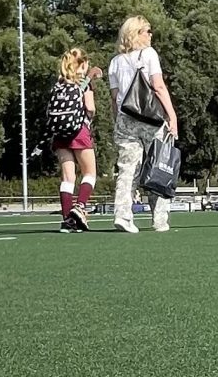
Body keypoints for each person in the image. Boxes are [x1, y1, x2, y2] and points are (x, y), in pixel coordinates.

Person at [107, 15, 179, 233]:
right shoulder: (149, 54)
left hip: (125, 120)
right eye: (147, 31)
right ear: (136, 33)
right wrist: (172, 116)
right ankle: (159, 218)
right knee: (158, 164)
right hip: (150, 118)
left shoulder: (115, 62)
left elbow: (115, 97)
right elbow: (158, 86)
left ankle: (123, 215)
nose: (151, 35)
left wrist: (116, 121)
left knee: (127, 169)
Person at [46, 47, 99, 231]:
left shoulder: (59, 84)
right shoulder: (83, 83)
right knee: (89, 173)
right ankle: (80, 206)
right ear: (83, 64)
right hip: (79, 131)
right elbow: (90, 108)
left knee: (67, 178)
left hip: (60, 134)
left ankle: (67, 220)